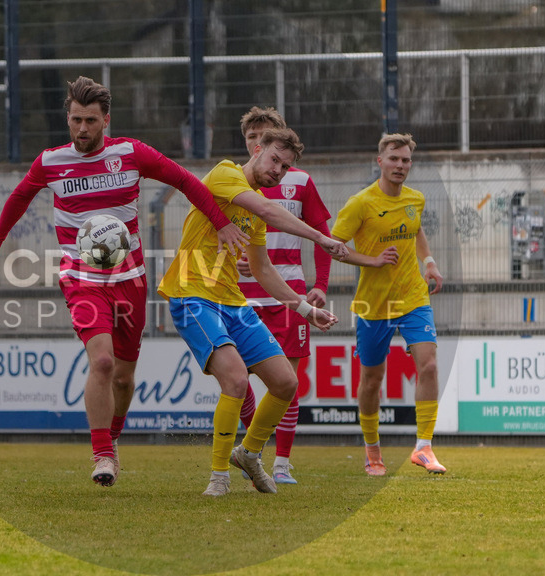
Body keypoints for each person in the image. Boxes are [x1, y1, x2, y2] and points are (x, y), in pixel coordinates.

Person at [0, 76, 249, 488]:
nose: (82, 128)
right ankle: (102, 453)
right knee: (102, 362)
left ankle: (114, 437)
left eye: (90, 120)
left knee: (123, 378)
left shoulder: (130, 154)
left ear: (106, 119)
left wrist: (221, 223)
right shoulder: (50, 162)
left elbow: (184, 180)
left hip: (130, 280)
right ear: (67, 119)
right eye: (75, 120)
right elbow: (19, 197)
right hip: (81, 277)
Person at [158, 128, 390, 496]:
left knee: (286, 382)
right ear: (256, 149)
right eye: (274, 160)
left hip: (232, 301)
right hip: (191, 295)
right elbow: (267, 209)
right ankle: (219, 476)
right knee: (236, 379)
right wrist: (321, 237)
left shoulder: (256, 211)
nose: (278, 170)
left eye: (285, 167)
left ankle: (249, 454)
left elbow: (263, 270)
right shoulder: (226, 174)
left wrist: (305, 309)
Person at [330, 133, 446, 476]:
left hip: (413, 297)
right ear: (380, 161)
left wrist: (429, 262)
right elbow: (333, 245)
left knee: (429, 366)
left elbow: (415, 229)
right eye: (394, 159)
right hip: (373, 304)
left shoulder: (415, 199)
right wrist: (373, 260)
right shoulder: (360, 203)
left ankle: (423, 447)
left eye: (406, 160)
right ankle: (372, 450)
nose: (400, 165)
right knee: (371, 379)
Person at [233, 107, 332, 485]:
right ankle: (252, 452)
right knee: (237, 380)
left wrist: (321, 284)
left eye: (265, 136)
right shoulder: (232, 181)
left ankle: (282, 463)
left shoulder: (300, 181)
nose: (257, 143)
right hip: (242, 297)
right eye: (251, 138)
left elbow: (323, 235)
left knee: (288, 381)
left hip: (288, 294)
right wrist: (233, 261)